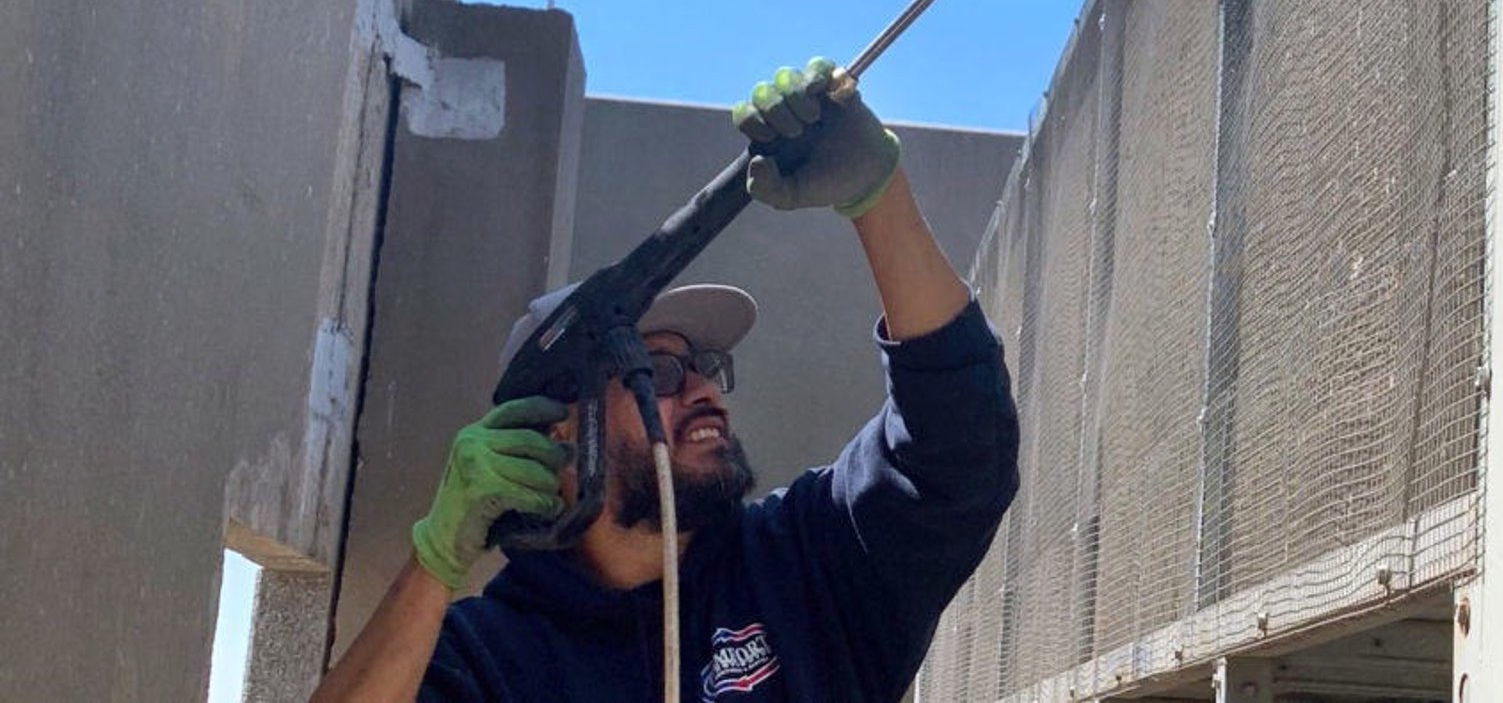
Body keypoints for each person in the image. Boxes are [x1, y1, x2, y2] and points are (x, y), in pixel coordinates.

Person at [312, 58, 1019, 701]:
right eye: (659, 370)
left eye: (707, 366)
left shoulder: (803, 565)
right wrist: (435, 560)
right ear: (558, 431)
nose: (705, 389)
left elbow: (959, 452)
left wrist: (878, 196)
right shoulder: (490, 657)